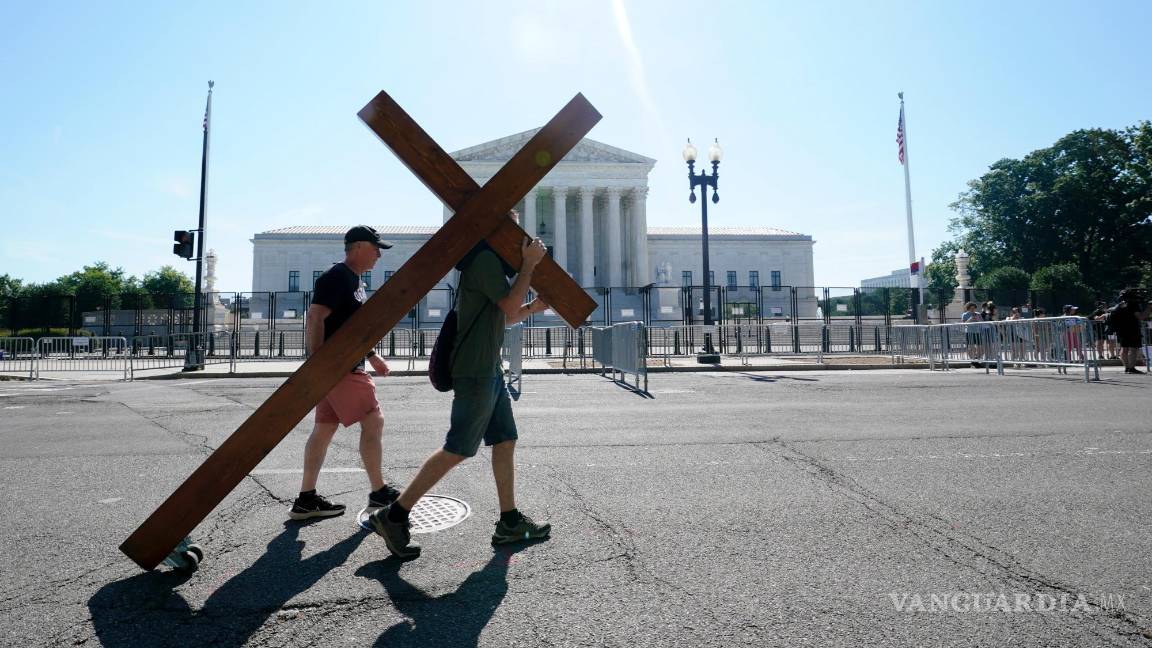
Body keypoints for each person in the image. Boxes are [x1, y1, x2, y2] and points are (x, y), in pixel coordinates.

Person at [372, 212, 552, 560]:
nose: (517, 232)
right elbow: (507, 304)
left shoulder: (490, 264)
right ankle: (394, 515)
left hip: (489, 369)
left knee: (504, 439)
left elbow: (508, 312)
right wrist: (528, 266)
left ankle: (509, 520)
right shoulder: (484, 259)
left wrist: (533, 306)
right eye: (510, 223)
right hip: (476, 370)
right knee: (458, 448)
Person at [288, 225, 399, 520]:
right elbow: (315, 316)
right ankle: (379, 492)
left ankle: (306, 499)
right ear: (359, 247)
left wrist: (373, 356)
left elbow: (350, 327)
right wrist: (319, 363)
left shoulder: (353, 279)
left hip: (340, 366)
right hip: (340, 368)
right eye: (376, 248)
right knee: (374, 421)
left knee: (324, 429)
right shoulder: (338, 277)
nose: (378, 255)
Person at [1109, 288, 1147, 375]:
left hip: (1121, 329)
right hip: (1132, 328)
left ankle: (1127, 368)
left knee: (1124, 348)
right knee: (1133, 348)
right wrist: (1149, 308)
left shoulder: (1120, 304)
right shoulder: (1133, 304)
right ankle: (1132, 368)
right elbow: (1140, 316)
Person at [961, 302, 983, 367]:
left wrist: (978, 319)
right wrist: (970, 319)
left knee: (980, 348)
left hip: (978, 332)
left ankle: (977, 359)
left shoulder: (978, 314)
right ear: (968, 308)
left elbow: (982, 322)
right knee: (971, 347)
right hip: (969, 332)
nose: (973, 309)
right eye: (971, 308)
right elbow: (963, 323)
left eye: (974, 308)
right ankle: (973, 360)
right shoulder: (965, 314)